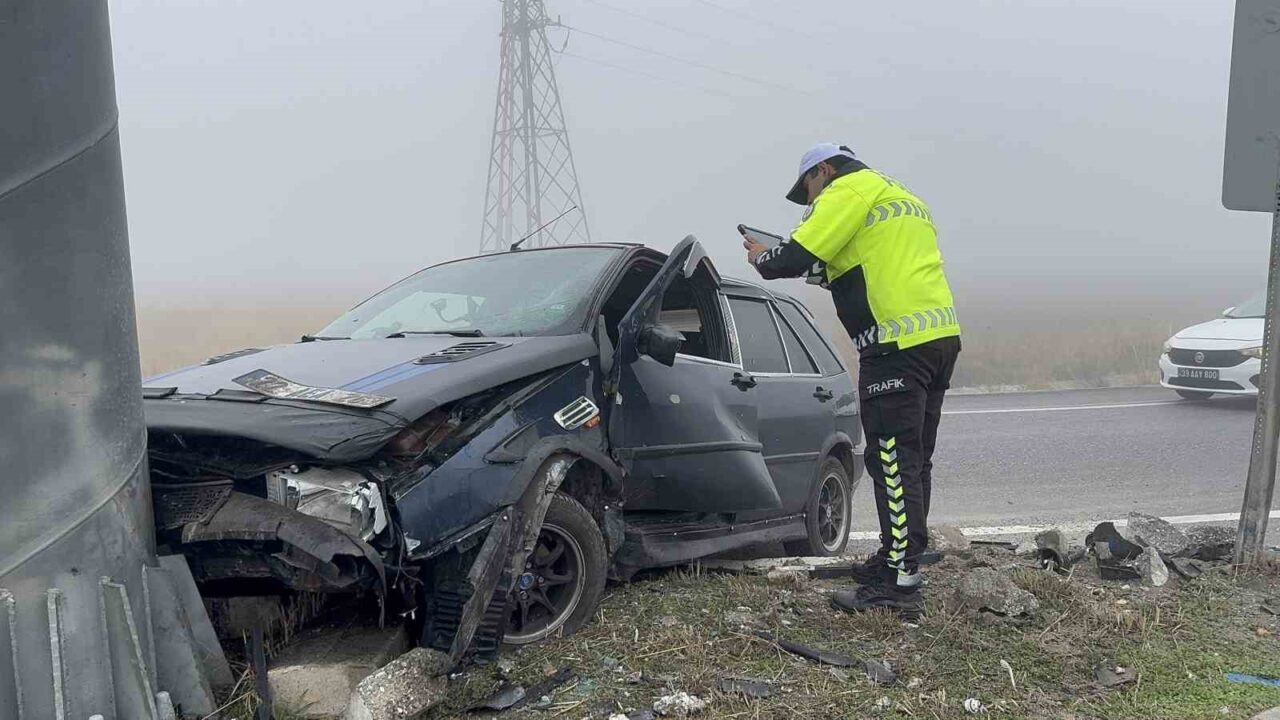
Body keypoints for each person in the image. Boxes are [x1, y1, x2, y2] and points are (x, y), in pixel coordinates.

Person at [744, 143, 960, 617]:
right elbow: (847, 266)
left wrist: (763, 256)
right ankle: (899, 558)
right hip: (937, 339)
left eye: (807, 192)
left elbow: (794, 256)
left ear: (822, 171)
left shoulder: (846, 190)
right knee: (914, 460)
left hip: (893, 346)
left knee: (891, 461)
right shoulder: (897, 194)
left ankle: (899, 587)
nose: (809, 203)